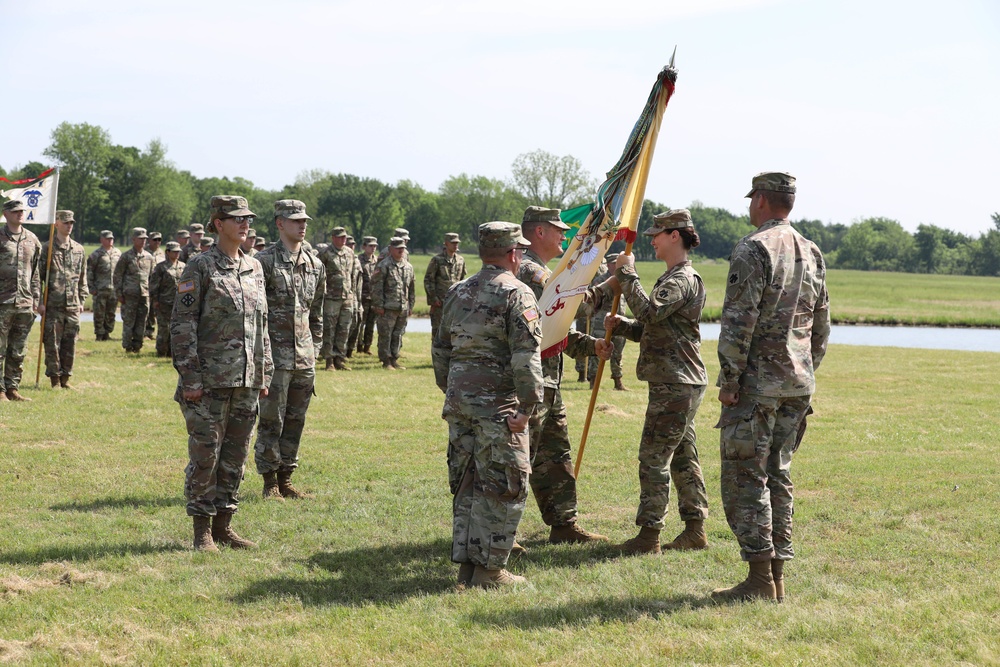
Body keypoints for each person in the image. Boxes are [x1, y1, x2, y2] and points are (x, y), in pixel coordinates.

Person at [711, 172, 830, 603]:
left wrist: (729, 380)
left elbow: (738, 321)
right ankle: (775, 577)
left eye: (751, 199)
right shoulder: (811, 251)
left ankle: (760, 579)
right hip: (797, 385)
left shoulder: (753, 248)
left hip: (757, 385)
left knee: (747, 477)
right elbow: (821, 325)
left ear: (760, 201)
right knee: (778, 475)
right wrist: (805, 369)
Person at [431, 221, 544, 588]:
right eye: (521, 250)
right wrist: (527, 408)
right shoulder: (518, 293)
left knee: (469, 483)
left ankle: (469, 566)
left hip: (460, 404)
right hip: (499, 408)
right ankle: (490, 571)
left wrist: (454, 391)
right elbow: (526, 359)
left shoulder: (457, 291)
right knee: (504, 486)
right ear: (513, 253)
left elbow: (440, 349)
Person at [599, 210, 710, 554]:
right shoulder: (672, 278)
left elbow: (650, 312)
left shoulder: (680, 279)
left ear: (675, 236)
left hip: (676, 382)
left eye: (657, 234)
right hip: (676, 379)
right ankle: (695, 530)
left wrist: (626, 273)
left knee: (653, 458)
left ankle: (649, 537)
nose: (652, 240)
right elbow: (654, 328)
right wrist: (621, 325)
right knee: (681, 457)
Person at [171, 195, 272, 552]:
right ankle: (201, 531)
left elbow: (262, 325)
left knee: (235, 456)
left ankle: (224, 525)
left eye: (248, 219)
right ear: (218, 224)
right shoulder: (200, 266)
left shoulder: (255, 267)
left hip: (246, 380)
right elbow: (182, 327)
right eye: (237, 219)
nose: (245, 225)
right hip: (209, 383)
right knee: (206, 456)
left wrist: (264, 373)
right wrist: (192, 379)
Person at [515, 205, 610, 544]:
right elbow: (574, 306)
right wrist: (610, 283)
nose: (565, 236)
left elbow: (553, 329)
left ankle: (564, 525)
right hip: (529, 382)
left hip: (549, 382)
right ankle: (501, 531)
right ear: (538, 232)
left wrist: (591, 345)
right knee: (519, 457)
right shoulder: (529, 271)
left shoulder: (543, 270)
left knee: (555, 455)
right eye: (558, 229)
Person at [254, 200, 325, 500]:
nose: (302, 225)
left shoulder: (315, 264)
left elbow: (317, 315)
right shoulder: (263, 262)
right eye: (295, 220)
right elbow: (255, 316)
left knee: (296, 419)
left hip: (304, 358)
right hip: (274, 359)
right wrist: (262, 359)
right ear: (279, 223)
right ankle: (270, 481)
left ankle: (286, 478)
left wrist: (315, 349)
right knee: (272, 419)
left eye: (304, 220)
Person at [0, 199, 42, 402]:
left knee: (18, 349)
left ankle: (12, 388)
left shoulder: (32, 240)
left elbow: (35, 274)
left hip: (24, 303)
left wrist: (35, 299)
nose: (19, 214)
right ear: (5, 214)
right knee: (0, 348)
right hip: (2, 302)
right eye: (15, 211)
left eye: (21, 211)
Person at [41, 210, 88, 389]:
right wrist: (39, 301)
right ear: (57, 224)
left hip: (73, 304)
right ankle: (54, 379)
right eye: (65, 222)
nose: (69, 226)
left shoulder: (78, 249)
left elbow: (83, 277)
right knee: (52, 342)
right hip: (53, 304)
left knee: (70, 342)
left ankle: (66, 378)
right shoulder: (47, 247)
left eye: (71, 223)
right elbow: (38, 276)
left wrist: (82, 300)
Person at [577, 254, 627, 391]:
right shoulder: (601, 281)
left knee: (617, 353)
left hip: (619, 321)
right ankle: (593, 380)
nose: (617, 266)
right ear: (609, 265)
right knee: (598, 351)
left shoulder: (623, 280)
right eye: (614, 263)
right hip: (601, 321)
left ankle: (618, 381)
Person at [318, 227, 361, 371]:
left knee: (344, 328)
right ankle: (329, 360)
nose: (343, 240)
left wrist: (353, 294)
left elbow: (353, 275)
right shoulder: (325, 254)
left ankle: (339, 359)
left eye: (344, 237)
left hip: (347, 296)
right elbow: (319, 275)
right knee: (330, 329)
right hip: (331, 297)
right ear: (333, 238)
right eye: (340, 237)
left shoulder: (349, 253)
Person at [371, 237, 415, 370]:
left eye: (403, 248)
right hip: (387, 307)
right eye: (398, 248)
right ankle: (386, 360)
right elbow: (377, 287)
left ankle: (394, 358)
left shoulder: (408, 266)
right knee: (386, 334)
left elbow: (411, 288)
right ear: (391, 249)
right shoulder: (383, 265)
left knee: (398, 334)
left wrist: (411, 306)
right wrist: (378, 305)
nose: (401, 250)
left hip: (402, 307)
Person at [113, 227, 155, 353]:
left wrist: (152, 293)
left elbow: (152, 277)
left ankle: (137, 345)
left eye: (145, 239)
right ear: (133, 239)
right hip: (129, 294)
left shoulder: (149, 257)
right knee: (129, 321)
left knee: (142, 321)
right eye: (140, 238)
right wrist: (119, 293)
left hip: (144, 294)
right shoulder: (126, 256)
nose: (143, 241)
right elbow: (117, 275)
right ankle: (127, 345)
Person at [424, 232, 467, 341]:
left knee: (453, 332)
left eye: (457, 243)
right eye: (453, 243)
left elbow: (462, 281)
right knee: (438, 332)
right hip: (440, 304)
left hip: (455, 303)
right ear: (446, 244)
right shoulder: (437, 260)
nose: (456, 245)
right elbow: (429, 280)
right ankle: (437, 357)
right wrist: (434, 299)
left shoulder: (461, 260)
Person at [149, 241, 186, 357]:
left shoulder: (183, 266)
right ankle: (161, 351)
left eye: (178, 252)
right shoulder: (160, 267)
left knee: (176, 328)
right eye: (174, 252)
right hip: (163, 303)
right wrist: (155, 300)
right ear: (168, 252)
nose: (176, 254)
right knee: (164, 328)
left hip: (179, 303)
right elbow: (154, 285)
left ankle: (172, 352)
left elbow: (187, 284)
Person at [87, 230, 120, 341]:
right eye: (107, 239)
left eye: (111, 238)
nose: (110, 240)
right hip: (100, 289)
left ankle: (107, 333)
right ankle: (99, 335)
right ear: (102, 240)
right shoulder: (96, 255)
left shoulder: (117, 253)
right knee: (99, 314)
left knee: (111, 313)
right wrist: (91, 288)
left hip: (114, 290)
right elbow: (89, 271)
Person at [355, 236, 379, 355]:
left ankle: (367, 346)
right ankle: (358, 345)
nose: (373, 248)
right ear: (364, 246)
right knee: (360, 323)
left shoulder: (378, 261)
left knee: (371, 324)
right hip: (362, 297)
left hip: (373, 297)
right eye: (370, 246)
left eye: (375, 246)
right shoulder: (358, 259)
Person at [144, 232, 164, 339]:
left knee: (154, 309)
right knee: (145, 309)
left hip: (158, 286)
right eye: (155, 240)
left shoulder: (162, 253)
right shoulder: (145, 252)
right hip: (146, 284)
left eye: (159, 240)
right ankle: (144, 331)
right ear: (149, 240)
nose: (157, 242)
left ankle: (150, 331)